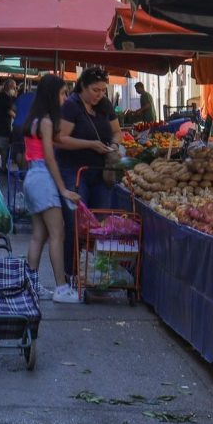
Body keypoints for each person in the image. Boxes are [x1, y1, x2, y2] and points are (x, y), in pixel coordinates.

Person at [21, 74, 81, 304]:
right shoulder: (46, 122)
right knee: (58, 234)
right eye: (63, 93)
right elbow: (49, 158)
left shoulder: (34, 120)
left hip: (32, 178)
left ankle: (31, 285)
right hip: (43, 178)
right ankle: (61, 287)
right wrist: (63, 189)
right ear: (52, 94)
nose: (66, 97)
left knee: (39, 235)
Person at [56, 67, 121, 274]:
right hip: (74, 171)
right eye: (95, 90)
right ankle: (73, 272)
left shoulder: (105, 105)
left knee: (101, 222)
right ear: (83, 86)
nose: (100, 94)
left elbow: (117, 132)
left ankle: (96, 271)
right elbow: (61, 139)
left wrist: (115, 146)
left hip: (101, 172)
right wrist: (90, 144)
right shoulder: (71, 106)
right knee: (76, 223)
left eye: (103, 90)